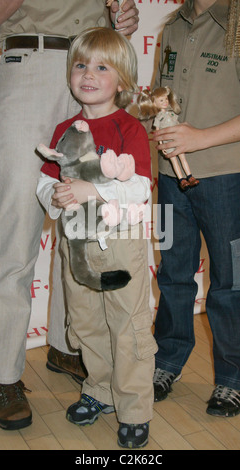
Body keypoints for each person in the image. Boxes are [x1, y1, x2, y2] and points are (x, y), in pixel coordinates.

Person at [0, 0, 139, 431]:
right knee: (17, 225)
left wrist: (122, 18)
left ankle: (67, 347)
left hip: (93, 63)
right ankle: (3, 374)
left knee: (86, 221)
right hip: (34, 62)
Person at [37, 27, 157, 449]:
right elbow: (45, 179)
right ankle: (99, 389)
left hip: (120, 242)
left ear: (122, 79)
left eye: (101, 66)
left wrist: (94, 191)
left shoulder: (129, 128)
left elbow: (141, 187)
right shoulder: (64, 129)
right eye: (81, 65)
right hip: (76, 245)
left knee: (127, 326)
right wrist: (54, 195)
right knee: (86, 322)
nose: (88, 73)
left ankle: (135, 407)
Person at [152, 0, 240, 417]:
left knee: (230, 282)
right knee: (172, 275)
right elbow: (158, 95)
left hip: (227, 177)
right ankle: (166, 362)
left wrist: (199, 138)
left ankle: (232, 378)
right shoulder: (172, 25)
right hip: (169, 179)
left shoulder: (236, 24)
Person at [137, 86, 199, 190]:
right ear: (154, 103)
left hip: (179, 140)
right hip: (168, 143)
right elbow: (157, 132)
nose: (165, 102)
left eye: (166, 99)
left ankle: (190, 176)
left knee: (183, 158)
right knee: (174, 161)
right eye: (161, 100)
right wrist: (162, 145)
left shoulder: (171, 112)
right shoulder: (159, 117)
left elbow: (177, 123)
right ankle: (181, 180)